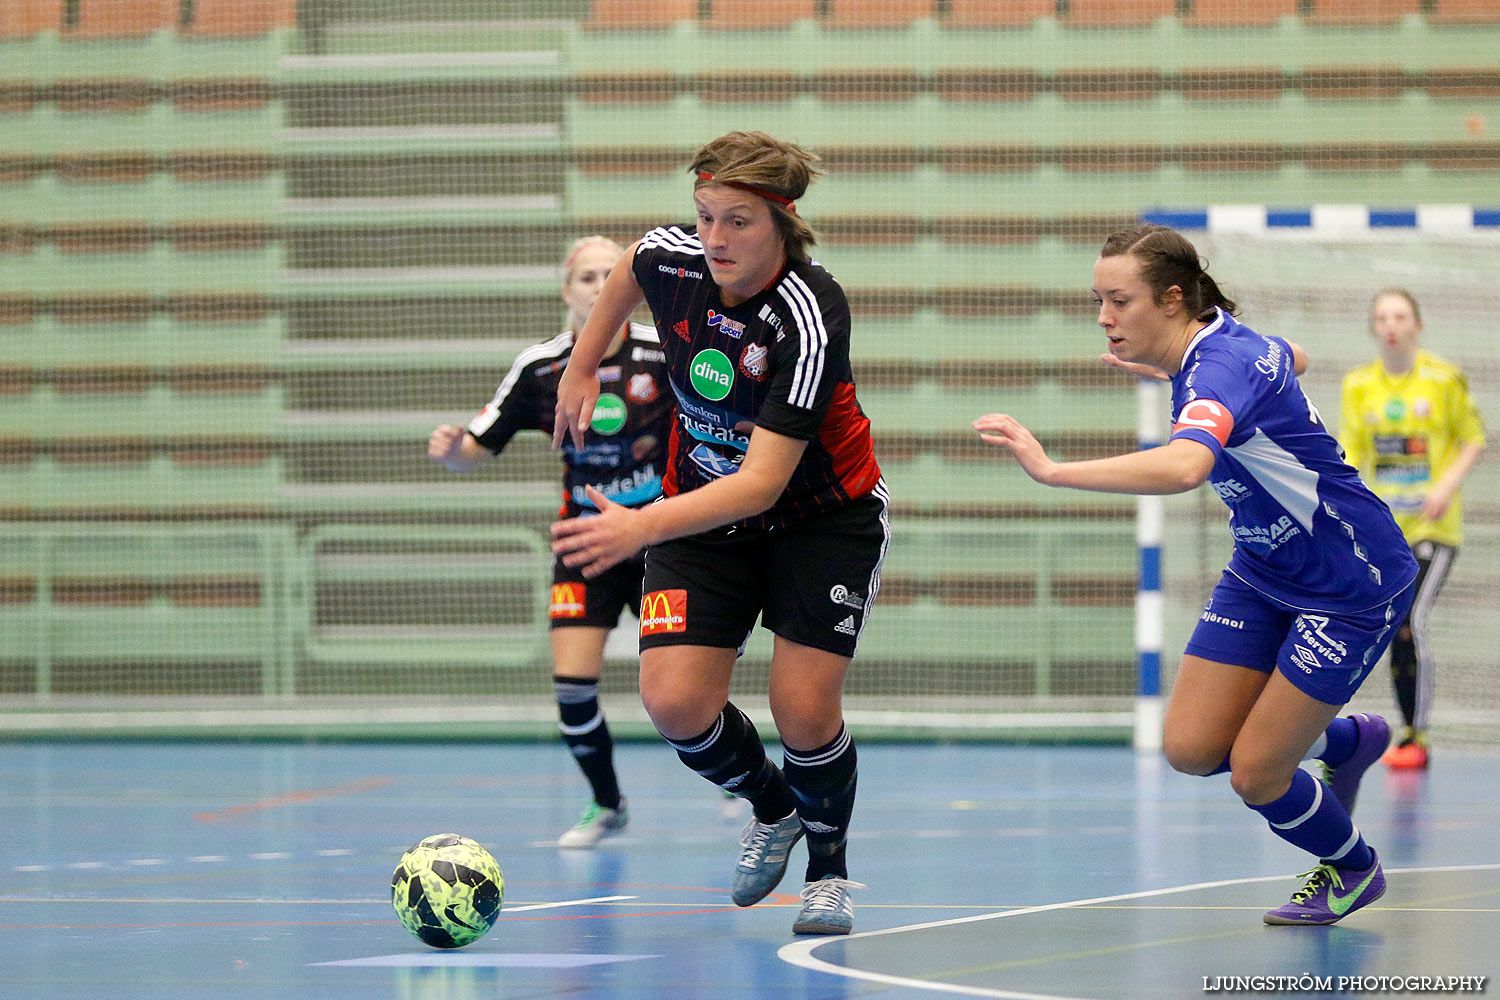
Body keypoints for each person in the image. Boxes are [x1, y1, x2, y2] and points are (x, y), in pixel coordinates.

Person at [974, 223, 1418, 927]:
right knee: (1190, 749)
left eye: (1119, 301)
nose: (1104, 317)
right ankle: (1346, 740)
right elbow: (1291, 356)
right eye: (1099, 300)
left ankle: (1352, 867)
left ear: (1173, 300)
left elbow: (1185, 467)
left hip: (1350, 578)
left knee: (1258, 775)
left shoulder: (1215, 369)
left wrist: (1054, 470)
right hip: (1263, 567)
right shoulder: (1225, 346)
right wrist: (1189, 376)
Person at [549, 131, 888, 936]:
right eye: (705, 217)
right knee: (673, 703)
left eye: (737, 221)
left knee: (803, 712)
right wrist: (581, 361)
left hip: (819, 519)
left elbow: (763, 481)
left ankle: (829, 874)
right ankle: (773, 808)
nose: (715, 239)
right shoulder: (674, 258)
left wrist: (639, 527)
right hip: (703, 515)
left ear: (782, 222)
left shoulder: (808, 314)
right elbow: (632, 265)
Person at [428, 235, 674, 849]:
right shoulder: (541, 367)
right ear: (567, 291)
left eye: (608, 274)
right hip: (584, 541)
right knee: (572, 686)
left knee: (684, 689)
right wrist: (451, 452)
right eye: (585, 277)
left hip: (660, 538)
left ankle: (740, 784)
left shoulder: (665, 354)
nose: (597, 285)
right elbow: (474, 451)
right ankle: (606, 802)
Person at [1338, 289, 1486, 770]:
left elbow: (1472, 439)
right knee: (1378, 623)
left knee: (1408, 620)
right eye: (1381, 317)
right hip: (1386, 531)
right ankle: (1345, 732)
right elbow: (1353, 450)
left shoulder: (1444, 379)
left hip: (1433, 527)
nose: (1391, 325)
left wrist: (1443, 487)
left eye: (1400, 316)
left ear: (1416, 325)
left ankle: (1414, 735)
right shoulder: (1359, 385)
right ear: (1373, 328)